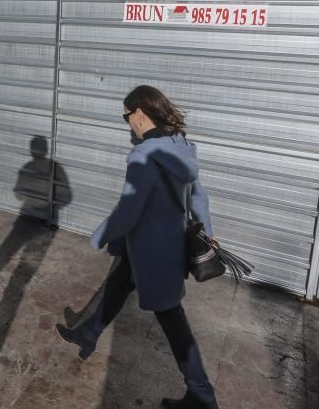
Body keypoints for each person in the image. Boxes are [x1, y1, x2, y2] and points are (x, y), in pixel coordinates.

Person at [55, 85, 218, 409]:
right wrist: (209, 231)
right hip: (162, 245)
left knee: (172, 319)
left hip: (153, 251)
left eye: (126, 116)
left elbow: (129, 210)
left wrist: (99, 235)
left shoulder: (144, 155)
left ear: (140, 114)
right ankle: (89, 333)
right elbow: (199, 196)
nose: (127, 123)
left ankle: (202, 395)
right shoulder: (182, 146)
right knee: (119, 282)